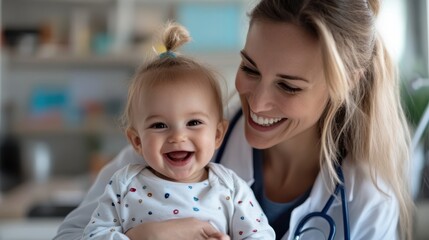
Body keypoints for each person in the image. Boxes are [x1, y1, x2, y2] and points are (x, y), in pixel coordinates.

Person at [55, 0, 414, 239]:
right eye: (250, 69)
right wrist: (145, 236)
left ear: (346, 83)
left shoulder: (366, 201)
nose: (257, 101)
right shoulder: (162, 147)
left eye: (288, 87)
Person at [81, 22, 275, 240]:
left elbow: (260, 236)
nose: (177, 137)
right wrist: (141, 237)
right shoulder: (124, 185)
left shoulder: (230, 188)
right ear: (136, 141)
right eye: (159, 125)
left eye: (193, 123)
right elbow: (92, 236)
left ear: (218, 134)